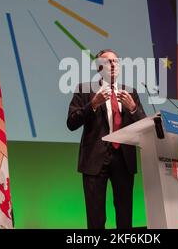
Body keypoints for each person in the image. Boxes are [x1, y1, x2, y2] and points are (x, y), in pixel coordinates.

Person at [66, 49, 146, 229]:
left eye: (116, 62)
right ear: (98, 67)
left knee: (125, 215)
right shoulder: (85, 89)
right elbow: (71, 123)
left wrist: (133, 108)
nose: (112, 65)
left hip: (123, 159)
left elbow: (144, 127)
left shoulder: (130, 92)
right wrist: (93, 104)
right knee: (96, 217)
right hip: (95, 160)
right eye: (108, 61)